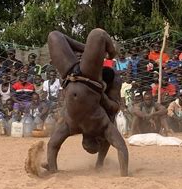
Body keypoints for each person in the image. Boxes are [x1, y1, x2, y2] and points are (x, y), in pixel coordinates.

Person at [45, 29, 128, 176]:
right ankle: (104, 51)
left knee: (54, 36)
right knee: (97, 35)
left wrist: (52, 168)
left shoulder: (72, 126)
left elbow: (53, 145)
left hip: (70, 75)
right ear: (97, 138)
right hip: (89, 79)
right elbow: (121, 146)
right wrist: (124, 174)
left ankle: (100, 162)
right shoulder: (101, 124)